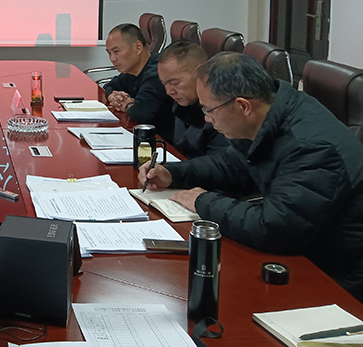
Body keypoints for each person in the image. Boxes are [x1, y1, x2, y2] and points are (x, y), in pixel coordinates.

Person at [139, 52, 363, 300]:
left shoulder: (312, 148)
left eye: (209, 110)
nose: (207, 119)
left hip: (334, 279)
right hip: (299, 253)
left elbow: (275, 228)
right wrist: (174, 173)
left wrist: (203, 202)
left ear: (243, 106)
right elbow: (232, 163)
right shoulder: (272, 114)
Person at [157, 40, 229, 158]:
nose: (169, 91)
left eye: (174, 83)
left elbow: (218, 163)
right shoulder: (182, 104)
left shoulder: (221, 111)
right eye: (164, 84)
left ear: (199, 72)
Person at [104, 23, 174, 141]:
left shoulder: (157, 71)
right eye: (109, 53)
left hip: (163, 141)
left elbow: (141, 114)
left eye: (116, 51)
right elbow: (109, 86)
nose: (113, 59)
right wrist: (113, 97)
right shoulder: (132, 70)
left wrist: (127, 105)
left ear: (138, 47)